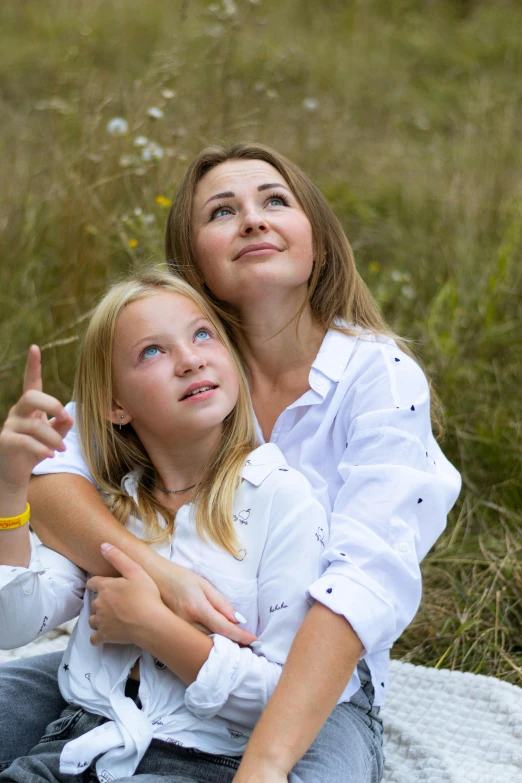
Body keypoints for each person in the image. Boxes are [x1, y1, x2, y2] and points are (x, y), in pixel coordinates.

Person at [0, 143, 461, 783]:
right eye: (222, 211)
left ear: (318, 242)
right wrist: (161, 579)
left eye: (275, 200)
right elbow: (55, 479)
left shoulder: (377, 377)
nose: (252, 219)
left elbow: (367, 580)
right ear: (193, 267)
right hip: (134, 661)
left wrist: (266, 764)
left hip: (305, 681)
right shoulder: (186, 360)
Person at [0, 269, 326, 783]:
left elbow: (288, 699)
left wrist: (154, 628)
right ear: (115, 405)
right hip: (79, 741)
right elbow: (12, 625)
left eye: (202, 334)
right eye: (152, 351)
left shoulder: (282, 501)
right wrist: (10, 489)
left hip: (202, 759)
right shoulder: (112, 509)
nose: (190, 359)